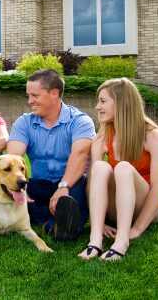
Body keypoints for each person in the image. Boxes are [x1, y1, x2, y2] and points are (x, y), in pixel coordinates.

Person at [77, 78, 158, 262]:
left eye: (103, 101)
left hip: (150, 208)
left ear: (121, 103)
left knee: (123, 168)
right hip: (118, 207)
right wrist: (100, 223)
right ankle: (95, 240)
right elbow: (92, 184)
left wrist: (137, 229)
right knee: (100, 167)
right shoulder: (102, 137)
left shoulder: (152, 135)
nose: (97, 107)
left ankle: (121, 242)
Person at [7, 69, 95, 241]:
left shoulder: (80, 121)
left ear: (54, 93)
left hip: (72, 183)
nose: (30, 101)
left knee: (73, 197)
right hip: (40, 184)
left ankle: (58, 223)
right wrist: (19, 187)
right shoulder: (24, 122)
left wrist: (63, 187)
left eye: (35, 96)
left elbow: (80, 155)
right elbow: (13, 157)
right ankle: (48, 220)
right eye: (28, 96)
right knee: (24, 192)